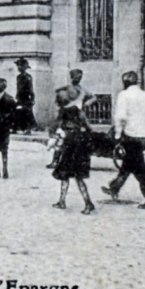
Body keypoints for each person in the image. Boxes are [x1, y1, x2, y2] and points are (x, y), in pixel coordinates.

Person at [102, 70, 145, 209]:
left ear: (125, 83)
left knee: (139, 169)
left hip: (130, 136)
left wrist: (117, 136)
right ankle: (114, 187)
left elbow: (120, 117)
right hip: (144, 136)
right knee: (130, 163)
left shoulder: (124, 95)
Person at [50, 86, 95, 214]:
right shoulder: (78, 111)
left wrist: (54, 136)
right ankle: (79, 202)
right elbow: (88, 127)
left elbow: (54, 126)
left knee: (65, 174)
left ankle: (80, 203)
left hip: (70, 145)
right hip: (80, 144)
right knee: (78, 176)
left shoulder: (63, 112)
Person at [13, 58, 38, 134]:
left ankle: (28, 128)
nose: (19, 68)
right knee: (17, 112)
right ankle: (15, 128)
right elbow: (18, 88)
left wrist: (32, 98)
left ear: (24, 67)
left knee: (26, 113)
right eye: (18, 66)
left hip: (26, 98)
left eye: (20, 66)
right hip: (20, 98)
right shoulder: (18, 77)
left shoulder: (28, 77)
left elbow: (30, 89)